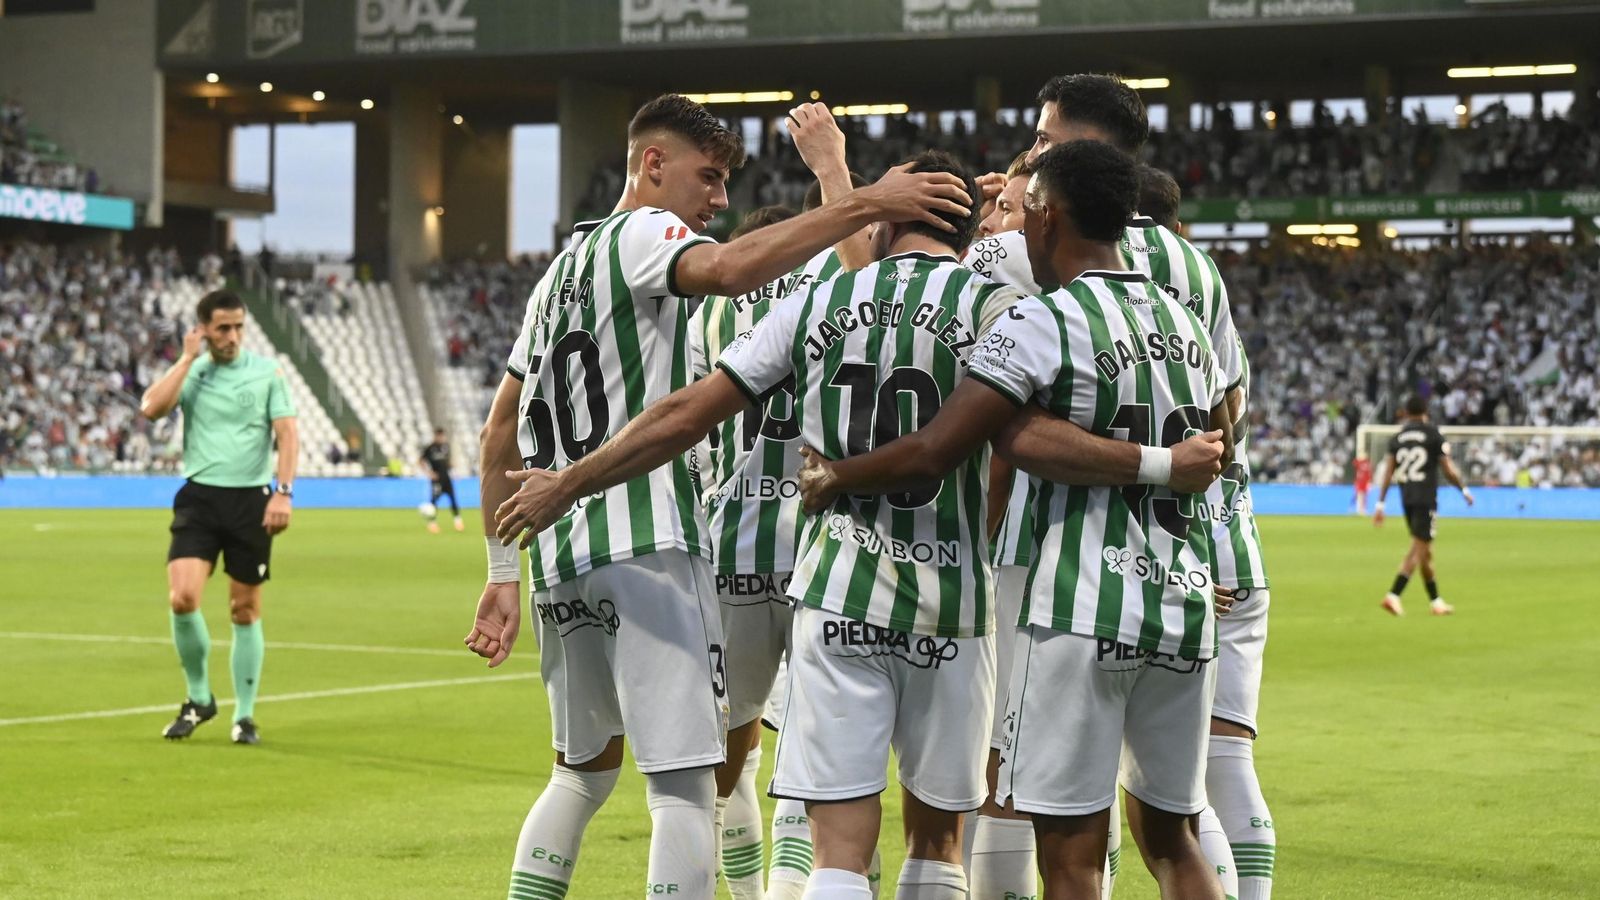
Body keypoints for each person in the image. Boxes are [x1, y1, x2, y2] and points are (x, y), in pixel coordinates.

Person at [491, 145, 1224, 900]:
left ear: (881, 223)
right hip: (957, 606)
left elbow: (683, 414)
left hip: (841, 593)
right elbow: (1012, 444)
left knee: (838, 844)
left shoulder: (819, 301)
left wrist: (569, 484)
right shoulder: (1003, 309)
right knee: (939, 841)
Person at [469, 95, 972, 900]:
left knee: (579, 778)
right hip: (649, 540)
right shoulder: (644, 232)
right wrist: (870, 198)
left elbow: (499, 432)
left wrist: (499, 569)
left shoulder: (556, 275)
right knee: (682, 788)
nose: (718, 203)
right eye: (708, 178)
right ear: (653, 164)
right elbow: (733, 267)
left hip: (560, 550)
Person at [796, 140, 1230, 900]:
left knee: (1069, 857)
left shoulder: (1045, 322)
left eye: (1027, 210)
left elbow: (945, 445)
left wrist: (837, 474)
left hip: (1080, 609)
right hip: (1182, 605)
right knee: (1172, 840)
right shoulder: (1184, 320)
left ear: (1047, 215)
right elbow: (1223, 430)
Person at [1026, 73, 1278, 900]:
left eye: (1045, 137)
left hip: (1076, 571)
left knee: (1061, 821)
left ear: (1081, 151)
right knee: (1189, 803)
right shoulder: (1191, 267)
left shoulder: (1049, 250)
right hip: (1199, 553)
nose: (1033, 152)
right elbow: (1227, 413)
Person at [138, 289, 297, 746]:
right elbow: (151, 409)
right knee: (182, 598)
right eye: (223, 327)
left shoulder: (267, 372)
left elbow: (287, 435)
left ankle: (244, 716)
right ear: (203, 328)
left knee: (243, 608)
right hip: (200, 500)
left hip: (251, 500)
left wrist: (283, 493)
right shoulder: (193, 372)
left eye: (238, 327)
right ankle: (198, 698)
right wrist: (186, 360)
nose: (232, 336)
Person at [1374, 395, 1475, 616]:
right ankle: (1394, 595)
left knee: (1426, 551)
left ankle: (1436, 602)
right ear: (1425, 411)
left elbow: (1388, 472)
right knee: (1419, 548)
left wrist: (1380, 503)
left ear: (1407, 413)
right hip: (1425, 498)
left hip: (1406, 498)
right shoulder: (1432, 435)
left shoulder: (1397, 438)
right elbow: (1447, 469)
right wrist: (1464, 490)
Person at [418, 427, 463, 533]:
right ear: (436, 436)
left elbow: (447, 462)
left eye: (443, 436)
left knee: (453, 499)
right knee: (434, 502)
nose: (441, 438)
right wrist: (429, 473)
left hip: (446, 478)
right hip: (437, 480)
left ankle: (458, 522)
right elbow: (420, 461)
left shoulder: (445, 447)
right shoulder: (429, 448)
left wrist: (454, 472)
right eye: (439, 436)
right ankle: (432, 523)